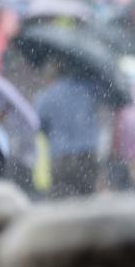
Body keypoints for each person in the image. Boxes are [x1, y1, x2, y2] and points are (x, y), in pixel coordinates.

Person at [33, 59, 103, 198]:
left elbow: (39, 126)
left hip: (60, 157)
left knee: (61, 204)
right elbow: (96, 113)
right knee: (86, 200)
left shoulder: (46, 96)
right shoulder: (86, 90)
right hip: (87, 155)